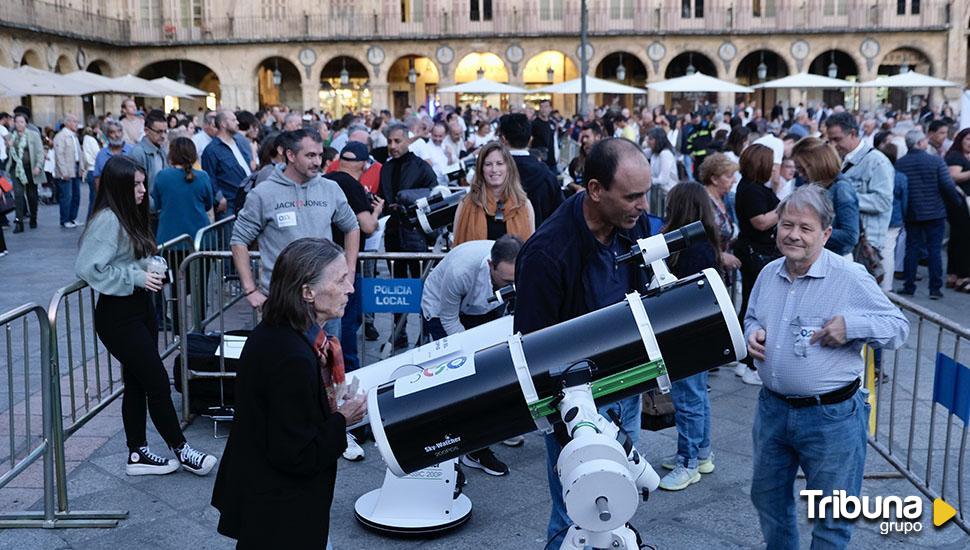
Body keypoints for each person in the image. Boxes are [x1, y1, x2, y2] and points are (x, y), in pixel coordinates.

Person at [745, 184, 909, 550]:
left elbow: (898, 328)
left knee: (832, 517)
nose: (793, 235)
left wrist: (852, 326)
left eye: (805, 228)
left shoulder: (849, 277)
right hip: (772, 410)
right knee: (768, 500)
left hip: (831, 417)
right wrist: (752, 332)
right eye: (787, 225)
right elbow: (753, 316)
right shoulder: (769, 271)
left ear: (826, 234)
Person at [515, 138, 652, 549]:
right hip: (576, 407)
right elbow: (533, 353)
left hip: (624, 389)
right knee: (575, 516)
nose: (643, 205)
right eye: (632, 196)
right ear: (595, 190)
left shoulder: (631, 224)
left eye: (645, 194)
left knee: (619, 508)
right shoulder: (547, 252)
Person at [211, 238, 366, 549]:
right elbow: (297, 454)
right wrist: (342, 419)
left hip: (270, 501)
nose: (350, 288)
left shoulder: (285, 333)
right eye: (340, 279)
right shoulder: (292, 356)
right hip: (280, 511)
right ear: (307, 292)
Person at [75, 155, 218, 477]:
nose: (143, 190)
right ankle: (181, 449)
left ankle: (137, 453)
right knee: (155, 380)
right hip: (118, 316)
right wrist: (136, 276)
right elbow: (88, 268)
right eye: (135, 185)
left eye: (142, 183)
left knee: (138, 383)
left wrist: (148, 267)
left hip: (139, 309)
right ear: (119, 187)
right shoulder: (109, 219)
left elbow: (126, 260)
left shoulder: (129, 215)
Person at [231, 128, 360, 339]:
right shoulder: (263, 194)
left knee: (327, 364)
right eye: (310, 155)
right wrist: (250, 290)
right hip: (283, 301)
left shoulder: (330, 188)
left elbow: (352, 226)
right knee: (286, 363)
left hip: (325, 300)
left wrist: (350, 270)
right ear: (290, 156)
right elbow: (239, 240)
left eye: (320, 155)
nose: (317, 162)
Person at [421, 235, 523, 475]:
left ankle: (477, 447)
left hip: (484, 308)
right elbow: (448, 318)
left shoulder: (519, 268)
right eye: (506, 280)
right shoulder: (461, 271)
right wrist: (470, 356)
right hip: (441, 310)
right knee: (454, 380)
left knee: (490, 376)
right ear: (490, 265)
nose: (512, 285)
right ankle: (447, 456)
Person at [657, 182, 721, 491]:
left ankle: (688, 462)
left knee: (688, 399)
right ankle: (702, 453)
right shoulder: (705, 243)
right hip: (703, 331)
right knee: (697, 396)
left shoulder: (688, 248)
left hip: (687, 333)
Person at [378, 122, 437, 349]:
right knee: (397, 285)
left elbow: (434, 194)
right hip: (393, 232)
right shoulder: (386, 167)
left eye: (397, 141)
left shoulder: (421, 167)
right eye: (389, 141)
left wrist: (407, 200)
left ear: (408, 140)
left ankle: (423, 333)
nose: (392, 146)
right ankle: (399, 331)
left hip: (416, 234)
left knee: (421, 285)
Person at [896, 129, 963, 299]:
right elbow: (947, 185)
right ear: (920, 143)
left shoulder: (900, 163)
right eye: (924, 140)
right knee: (934, 251)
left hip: (912, 213)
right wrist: (956, 202)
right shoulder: (935, 161)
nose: (927, 142)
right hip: (935, 212)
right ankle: (935, 289)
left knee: (911, 250)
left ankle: (909, 286)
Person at [733, 143, 779, 386]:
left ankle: (743, 359)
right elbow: (760, 222)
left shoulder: (752, 187)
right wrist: (784, 208)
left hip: (755, 252)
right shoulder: (751, 190)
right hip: (757, 254)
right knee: (757, 307)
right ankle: (750, 363)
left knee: (751, 303)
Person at [824, 112, 894, 272]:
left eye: (837, 139)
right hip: (845, 239)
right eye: (830, 140)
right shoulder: (839, 158)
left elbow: (882, 201)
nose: (833, 145)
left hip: (865, 241)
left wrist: (844, 199)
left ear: (853, 134)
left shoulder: (877, 162)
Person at [453, 142, 534, 245]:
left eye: (499, 164)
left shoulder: (524, 205)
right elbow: (456, 251)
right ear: (481, 169)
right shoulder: (466, 204)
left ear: (508, 167)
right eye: (488, 164)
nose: (494, 169)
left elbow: (530, 249)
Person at [790, 137, 859, 257]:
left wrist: (811, 232)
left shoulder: (841, 189)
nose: (800, 174)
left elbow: (850, 235)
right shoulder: (813, 185)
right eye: (798, 169)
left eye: (803, 169)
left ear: (816, 165)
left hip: (835, 258)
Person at [499, 113, 563, 227]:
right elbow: (561, 215)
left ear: (503, 139)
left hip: (499, 242)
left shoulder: (492, 173)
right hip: (541, 239)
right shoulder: (548, 175)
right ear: (530, 140)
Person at [151, 137, 213, 245]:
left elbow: (157, 204)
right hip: (199, 239)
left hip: (169, 238)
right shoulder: (203, 176)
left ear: (171, 154)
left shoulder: (162, 176)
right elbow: (208, 204)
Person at [201, 109, 253, 219]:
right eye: (234, 120)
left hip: (247, 199)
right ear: (223, 124)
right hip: (229, 204)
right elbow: (209, 177)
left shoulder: (238, 142)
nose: (237, 123)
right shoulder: (212, 150)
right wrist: (220, 198)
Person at [698, 154, 742, 280]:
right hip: (705, 272)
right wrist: (720, 256)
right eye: (729, 176)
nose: (733, 180)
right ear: (714, 179)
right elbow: (698, 241)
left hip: (718, 271)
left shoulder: (722, 200)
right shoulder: (703, 202)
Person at [4, 113, 46, 233]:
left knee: (32, 195)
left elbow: (39, 152)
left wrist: (38, 166)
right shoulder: (12, 136)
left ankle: (33, 217)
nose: (19, 124)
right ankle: (19, 222)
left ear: (26, 123)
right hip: (16, 169)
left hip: (30, 169)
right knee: (18, 194)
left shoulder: (33, 135)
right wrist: (8, 146)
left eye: (21, 122)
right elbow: (7, 154)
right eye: (16, 122)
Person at [877, 142, 908, 293]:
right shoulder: (900, 177)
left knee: (875, 250)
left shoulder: (877, 173)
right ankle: (886, 286)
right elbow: (905, 199)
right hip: (894, 218)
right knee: (888, 252)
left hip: (878, 216)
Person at [943, 128, 970, 293]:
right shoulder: (955, 156)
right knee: (964, 240)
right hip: (959, 204)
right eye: (967, 139)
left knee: (957, 239)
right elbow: (954, 176)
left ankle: (953, 275)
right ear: (960, 140)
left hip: (963, 203)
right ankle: (963, 277)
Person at [128, 109, 169, 198]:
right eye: (159, 132)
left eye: (165, 131)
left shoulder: (163, 149)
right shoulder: (138, 153)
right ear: (146, 130)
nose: (163, 135)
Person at [53, 114, 84, 228]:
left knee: (76, 195)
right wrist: (63, 171)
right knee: (67, 196)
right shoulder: (61, 136)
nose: (77, 124)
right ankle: (65, 219)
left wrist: (81, 168)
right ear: (68, 122)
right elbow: (59, 155)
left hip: (75, 167)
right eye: (75, 121)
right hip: (66, 170)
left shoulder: (74, 136)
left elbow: (79, 153)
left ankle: (72, 217)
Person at [645, 126, 678, 193]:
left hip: (668, 193)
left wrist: (646, 180)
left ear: (658, 140)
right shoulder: (654, 153)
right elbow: (639, 153)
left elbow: (663, 179)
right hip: (659, 193)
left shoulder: (665, 154)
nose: (648, 142)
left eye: (651, 139)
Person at [81, 122, 102, 220]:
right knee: (95, 199)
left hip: (90, 170)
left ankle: (90, 219)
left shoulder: (85, 140)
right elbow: (98, 154)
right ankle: (91, 220)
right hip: (94, 170)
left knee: (93, 198)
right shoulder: (91, 140)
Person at [531, 99, 559, 173]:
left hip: (552, 161)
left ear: (550, 109)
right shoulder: (534, 124)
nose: (544, 109)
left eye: (546, 107)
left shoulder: (552, 123)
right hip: (540, 161)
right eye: (542, 107)